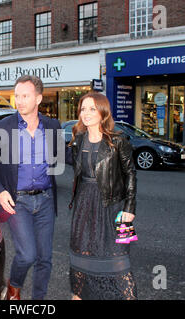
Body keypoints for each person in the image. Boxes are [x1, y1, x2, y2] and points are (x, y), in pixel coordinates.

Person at [0, 75, 63, 300]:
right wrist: (1, 190)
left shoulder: (52, 126)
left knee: (45, 259)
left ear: (38, 98)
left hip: (45, 200)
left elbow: (64, 157)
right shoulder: (3, 127)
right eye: (17, 96)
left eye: (25, 96)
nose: (19, 100)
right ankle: (14, 288)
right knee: (27, 255)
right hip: (18, 202)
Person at [67, 91, 138, 300]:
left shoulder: (117, 140)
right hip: (83, 206)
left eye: (92, 108)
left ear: (103, 112)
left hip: (112, 206)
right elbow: (78, 175)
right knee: (82, 257)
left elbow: (130, 175)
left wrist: (129, 209)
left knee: (119, 260)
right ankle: (80, 295)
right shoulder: (77, 140)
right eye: (83, 109)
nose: (86, 113)